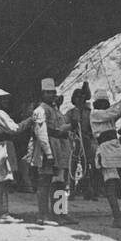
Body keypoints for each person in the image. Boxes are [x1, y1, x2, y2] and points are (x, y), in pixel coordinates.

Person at [89, 76, 121, 228]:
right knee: (112, 184)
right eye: (101, 103)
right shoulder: (96, 114)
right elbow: (116, 110)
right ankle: (117, 218)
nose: (104, 105)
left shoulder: (108, 115)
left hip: (116, 149)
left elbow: (119, 109)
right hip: (106, 150)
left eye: (105, 102)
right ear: (96, 104)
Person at [31, 77, 76, 226]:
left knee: (61, 183)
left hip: (60, 149)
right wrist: (48, 153)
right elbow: (42, 133)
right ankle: (42, 215)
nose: (51, 95)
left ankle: (60, 213)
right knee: (44, 182)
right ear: (43, 94)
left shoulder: (55, 110)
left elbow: (61, 127)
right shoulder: (41, 110)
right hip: (48, 149)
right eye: (48, 93)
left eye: (53, 93)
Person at [0, 87, 29, 224]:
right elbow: (15, 129)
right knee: (3, 182)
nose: (6, 101)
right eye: (3, 99)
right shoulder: (1, 114)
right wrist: (29, 120)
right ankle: (4, 214)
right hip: (3, 149)